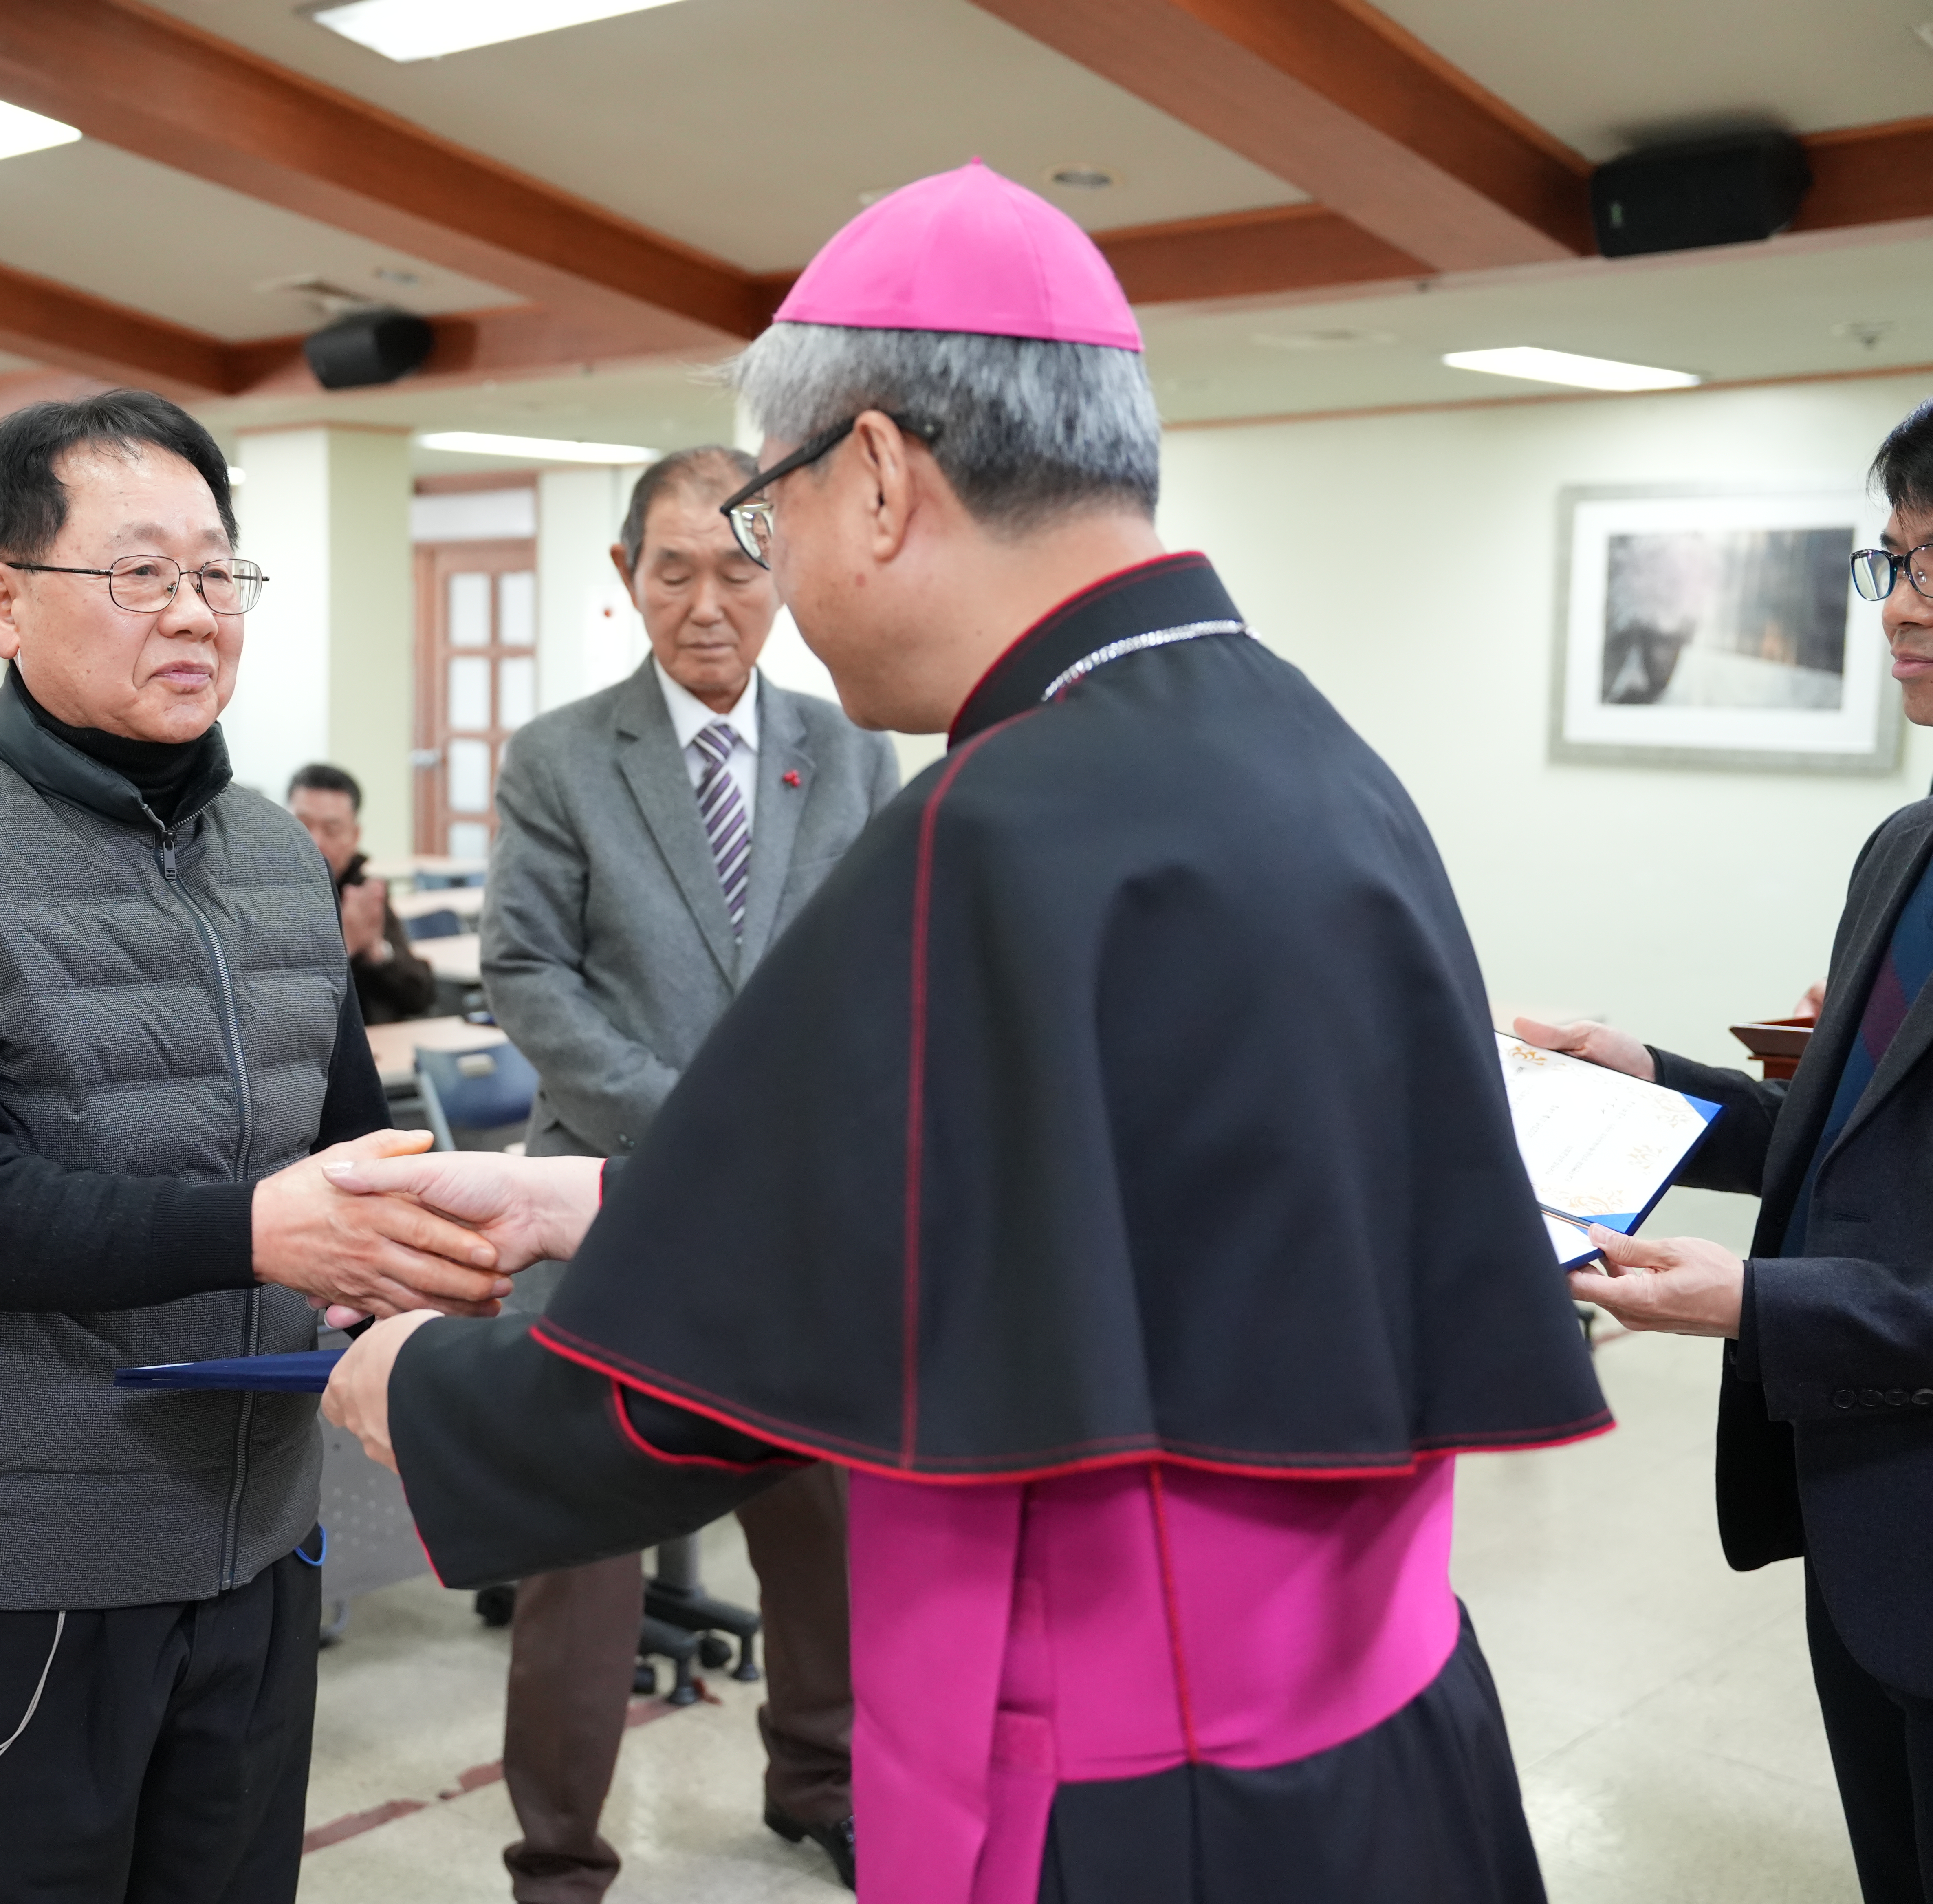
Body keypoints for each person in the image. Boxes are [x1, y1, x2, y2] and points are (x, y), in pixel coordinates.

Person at [318, 161, 1610, 1902]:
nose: (759, 579)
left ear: (872, 476)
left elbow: (690, 1397)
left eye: (767, 521)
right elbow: (1019, 1194)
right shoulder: (1293, 742)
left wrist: (403, 1386)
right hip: (1380, 1725)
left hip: (1142, 1782)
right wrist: (605, 1202)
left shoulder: (1000, 825)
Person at [0, 390, 517, 1904]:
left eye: (217, 572)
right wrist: (264, 1233)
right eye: (139, 573)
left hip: (250, 1543)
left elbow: (344, 1143)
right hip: (7, 1564)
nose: (194, 612)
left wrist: (428, 1252)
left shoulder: (268, 850)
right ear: (4, 601)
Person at [1515, 397, 1933, 1904]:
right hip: (1868, 1520)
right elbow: (1833, 1146)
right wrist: (1643, 1073)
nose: (1901, 608)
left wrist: (1755, 1305)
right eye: (1890, 561)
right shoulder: (1905, 848)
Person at [478, 444, 898, 1898]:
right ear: (625, 578)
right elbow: (525, 971)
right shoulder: (559, 756)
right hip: (604, 1211)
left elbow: (872, 974)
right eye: (674, 568)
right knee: (579, 1565)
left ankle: (819, 1775)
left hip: (791, 1221)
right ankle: (558, 1854)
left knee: (821, 1524)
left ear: (781, 565)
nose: (707, 602)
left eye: (737, 564)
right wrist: (696, 1128)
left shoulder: (850, 747)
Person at [288, 763, 437, 1025]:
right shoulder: (257, 895)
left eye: (332, 830)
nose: (315, 842)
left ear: (355, 836)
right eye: (302, 825)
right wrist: (346, 945)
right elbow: (276, 1009)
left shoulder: (361, 892)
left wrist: (376, 951)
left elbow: (421, 996)